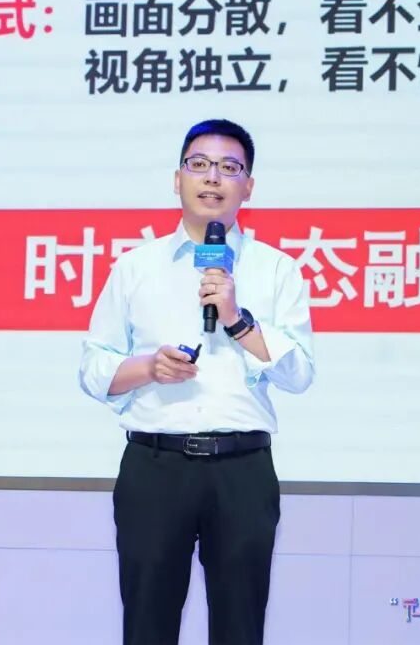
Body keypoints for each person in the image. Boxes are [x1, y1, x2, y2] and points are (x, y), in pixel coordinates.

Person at [78, 119, 316, 645]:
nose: (213, 178)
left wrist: (237, 320)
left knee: (240, 628)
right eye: (200, 164)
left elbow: (299, 373)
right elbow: (93, 369)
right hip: (155, 467)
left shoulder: (277, 270)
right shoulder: (135, 267)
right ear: (177, 178)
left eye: (230, 168)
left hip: (242, 469)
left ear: (248, 187)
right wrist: (148, 368)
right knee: (147, 626)